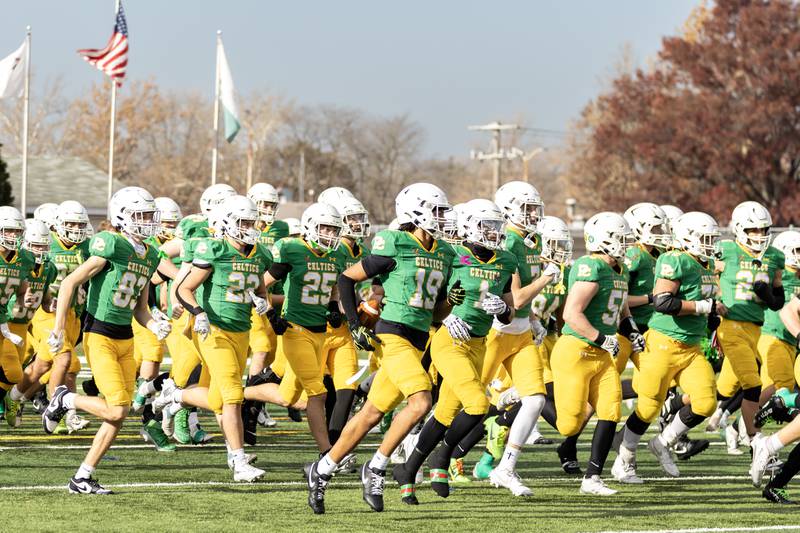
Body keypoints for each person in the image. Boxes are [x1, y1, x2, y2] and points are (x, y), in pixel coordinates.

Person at [306, 183, 457, 514]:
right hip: (392, 334)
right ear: (415, 211)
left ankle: (323, 470)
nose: (442, 217)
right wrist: (355, 324)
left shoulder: (444, 252)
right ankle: (376, 467)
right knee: (421, 401)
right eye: (437, 210)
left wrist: (450, 301)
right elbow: (347, 278)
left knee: (372, 413)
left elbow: (435, 313)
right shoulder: (396, 242)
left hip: (418, 338)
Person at [42, 187, 170, 494]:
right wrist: (59, 326)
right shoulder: (111, 244)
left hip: (126, 337)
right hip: (99, 334)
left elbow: (140, 308)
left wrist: (154, 324)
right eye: (141, 215)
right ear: (123, 217)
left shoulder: (150, 254)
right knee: (115, 409)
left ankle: (82, 476)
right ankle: (64, 399)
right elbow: (71, 282)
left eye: (149, 215)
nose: (148, 221)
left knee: (120, 413)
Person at [392, 199, 517, 502]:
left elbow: (509, 311)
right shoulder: (454, 255)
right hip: (449, 340)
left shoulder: (506, 261)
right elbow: (429, 297)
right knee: (477, 405)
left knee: (447, 412)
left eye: (496, 226)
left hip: (479, 343)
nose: (494, 232)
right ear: (469, 225)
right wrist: (448, 314)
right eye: (487, 225)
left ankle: (408, 469)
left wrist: (503, 309)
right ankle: (442, 458)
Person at [612, 212, 723, 483]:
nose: (710, 244)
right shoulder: (674, 259)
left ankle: (663, 442)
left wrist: (713, 316)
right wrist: (702, 307)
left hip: (691, 347)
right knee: (649, 407)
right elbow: (663, 302)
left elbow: (703, 305)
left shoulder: (705, 264)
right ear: (688, 238)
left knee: (707, 401)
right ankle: (623, 461)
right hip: (662, 343)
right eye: (705, 238)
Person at [550, 212, 639, 495]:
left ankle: (592, 478)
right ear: (604, 240)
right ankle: (530, 395)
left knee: (611, 410)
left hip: (601, 353)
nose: (625, 244)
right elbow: (571, 314)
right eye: (620, 239)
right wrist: (601, 338)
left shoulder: (619, 270)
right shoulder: (591, 266)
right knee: (569, 424)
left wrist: (632, 330)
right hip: (576, 350)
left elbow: (621, 309)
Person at [715, 201, 784, 444]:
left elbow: (778, 302)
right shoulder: (724, 251)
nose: (760, 235)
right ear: (739, 229)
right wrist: (712, 303)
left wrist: (766, 295)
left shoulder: (775, 257)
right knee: (753, 384)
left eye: (764, 230)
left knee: (723, 390)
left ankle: (678, 420)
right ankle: (756, 443)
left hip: (757, 328)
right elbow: (704, 278)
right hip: (731, 325)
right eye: (753, 230)